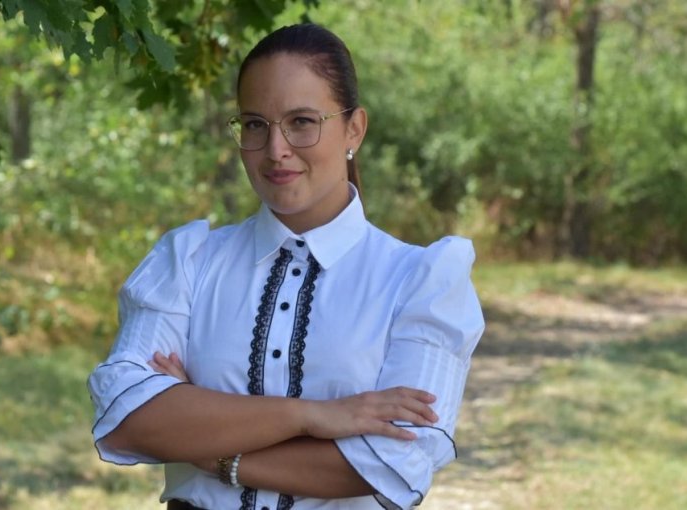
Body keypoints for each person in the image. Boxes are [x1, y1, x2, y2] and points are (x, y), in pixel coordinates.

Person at [87, 23, 485, 510]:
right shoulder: (189, 262)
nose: (276, 150)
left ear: (354, 128)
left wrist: (209, 448)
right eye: (255, 124)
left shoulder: (417, 281)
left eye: (301, 121)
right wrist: (315, 417)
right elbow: (128, 418)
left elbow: (394, 461)